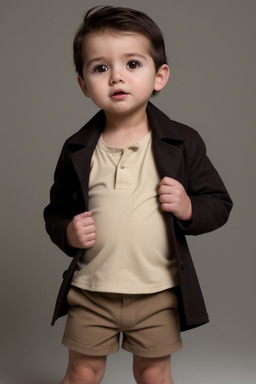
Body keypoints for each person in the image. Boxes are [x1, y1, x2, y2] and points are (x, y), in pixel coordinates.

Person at [44, 6, 233, 384]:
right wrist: (67, 232)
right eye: (100, 68)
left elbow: (219, 203)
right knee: (82, 372)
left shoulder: (181, 142)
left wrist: (188, 207)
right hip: (91, 290)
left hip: (157, 292)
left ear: (159, 76)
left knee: (154, 373)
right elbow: (57, 211)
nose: (117, 76)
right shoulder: (77, 148)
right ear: (84, 84)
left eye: (132, 64)